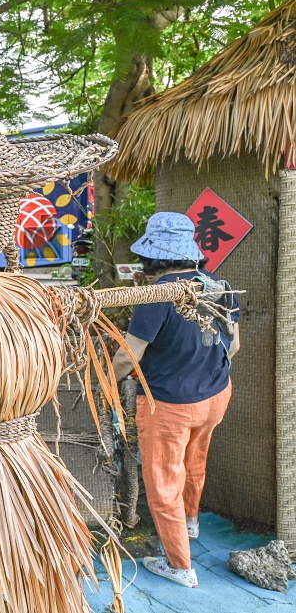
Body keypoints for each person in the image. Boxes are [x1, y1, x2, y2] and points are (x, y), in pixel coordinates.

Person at [113, 212, 241, 589]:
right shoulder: (219, 286)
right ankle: (190, 522)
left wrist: (102, 381)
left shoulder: (157, 295)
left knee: (163, 480)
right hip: (216, 395)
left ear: (152, 256)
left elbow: (127, 357)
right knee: (194, 460)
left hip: (169, 405)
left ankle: (180, 565)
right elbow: (233, 346)